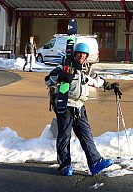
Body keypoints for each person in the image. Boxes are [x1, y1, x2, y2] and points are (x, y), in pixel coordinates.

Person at [44, 42, 119, 176]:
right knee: (65, 136)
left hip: (79, 107)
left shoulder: (87, 69)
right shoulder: (64, 66)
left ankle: (95, 162)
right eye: (79, 54)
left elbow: (97, 80)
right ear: (74, 54)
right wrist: (61, 77)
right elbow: (48, 80)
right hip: (65, 106)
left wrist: (111, 86)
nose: (81, 56)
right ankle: (65, 165)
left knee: (86, 135)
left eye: (84, 54)